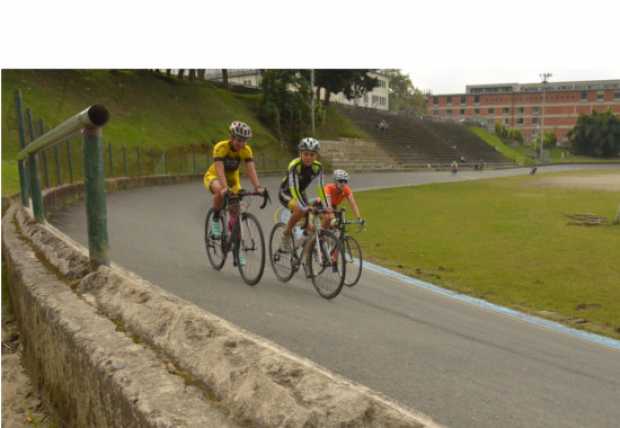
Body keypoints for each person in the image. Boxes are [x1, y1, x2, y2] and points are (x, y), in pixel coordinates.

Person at [204, 121, 265, 238]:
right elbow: (219, 168)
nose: (241, 143)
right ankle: (216, 219)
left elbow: (250, 169)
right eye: (238, 140)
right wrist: (225, 187)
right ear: (231, 137)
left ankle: (236, 245)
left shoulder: (246, 150)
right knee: (220, 190)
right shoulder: (221, 147)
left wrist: (258, 187)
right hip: (214, 176)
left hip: (233, 180)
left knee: (235, 212)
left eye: (244, 140)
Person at [278, 137, 330, 251]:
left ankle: (301, 244)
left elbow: (320, 188)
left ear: (316, 155)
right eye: (306, 154)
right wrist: (305, 206)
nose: (308, 157)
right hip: (287, 192)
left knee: (310, 226)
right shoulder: (294, 165)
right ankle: (286, 234)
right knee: (301, 209)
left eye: (312, 155)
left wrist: (327, 207)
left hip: (300, 193)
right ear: (300, 153)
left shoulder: (318, 167)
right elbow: (294, 188)